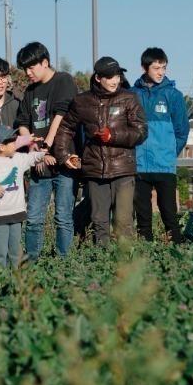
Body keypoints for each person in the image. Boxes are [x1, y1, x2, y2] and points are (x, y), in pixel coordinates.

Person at [52, 56, 147, 245]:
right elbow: (65, 128)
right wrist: (63, 155)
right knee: (99, 221)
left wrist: (113, 135)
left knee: (124, 221)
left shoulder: (129, 98)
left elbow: (141, 131)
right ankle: (100, 265)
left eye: (118, 76)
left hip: (123, 170)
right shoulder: (81, 101)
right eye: (110, 77)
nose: (115, 81)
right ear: (98, 78)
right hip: (94, 170)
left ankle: (125, 267)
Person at [14, 42, 80, 260]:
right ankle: (32, 259)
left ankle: (63, 260)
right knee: (33, 217)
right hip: (39, 162)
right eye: (25, 69)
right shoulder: (30, 91)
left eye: (31, 68)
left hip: (63, 161)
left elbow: (60, 115)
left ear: (44, 62)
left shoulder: (64, 80)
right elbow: (23, 121)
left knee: (63, 216)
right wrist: (32, 146)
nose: (27, 73)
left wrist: (46, 146)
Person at [131, 47, 190, 242]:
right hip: (139, 164)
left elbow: (182, 131)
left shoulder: (174, 95)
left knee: (169, 214)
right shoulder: (132, 95)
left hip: (164, 164)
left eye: (163, 67)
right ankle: (146, 254)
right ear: (144, 67)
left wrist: (170, 153)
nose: (161, 72)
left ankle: (177, 251)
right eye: (156, 68)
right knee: (143, 218)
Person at [0, 125, 48, 269]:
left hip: (17, 213)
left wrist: (43, 155)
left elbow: (31, 157)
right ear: (1, 146)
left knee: (15, 250)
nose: (16, 144)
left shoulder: (18, 158)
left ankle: (16, 277)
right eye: (12, 142)